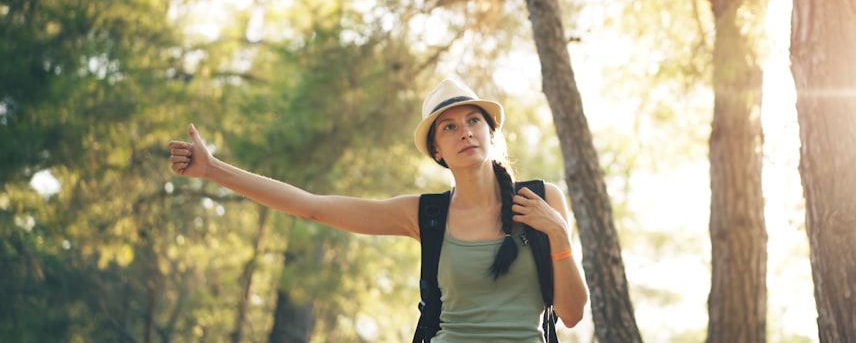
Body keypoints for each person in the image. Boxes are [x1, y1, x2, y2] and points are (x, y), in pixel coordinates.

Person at [168, 78, 589, 342]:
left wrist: (559, 235)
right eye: (449, 127)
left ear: (490, 133)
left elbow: (571, 314)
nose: (464, 132)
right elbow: (312, 207)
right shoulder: (427, 216)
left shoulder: (542, 200)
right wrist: (213, 169)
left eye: (473, 121)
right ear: (437, 152)